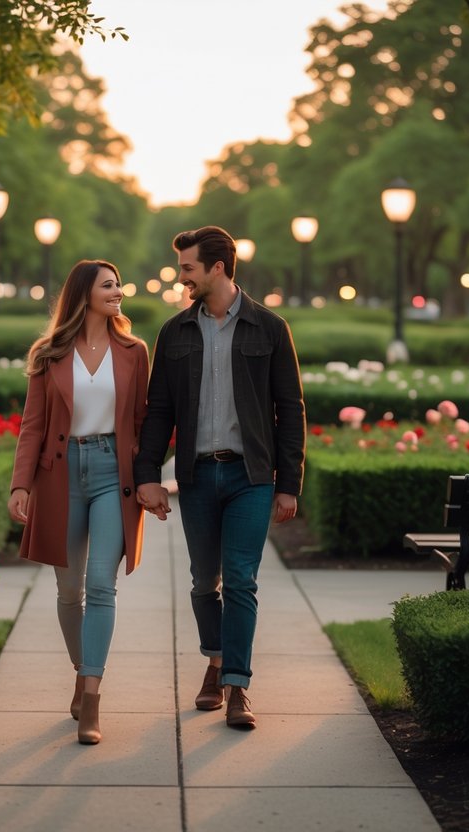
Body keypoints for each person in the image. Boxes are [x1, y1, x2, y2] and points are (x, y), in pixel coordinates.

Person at [135, 225, 305, 730]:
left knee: (241, 582)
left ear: (217, 268)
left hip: (250, 475)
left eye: (188, 268)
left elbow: (290, 409)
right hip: (196, 476)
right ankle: (214, 661)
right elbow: (159, 411)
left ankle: (236, 686)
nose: (181, 276)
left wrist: (289, 482)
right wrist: (147, 475)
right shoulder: (175, 332)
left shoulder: (270, 328)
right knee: (201, 583)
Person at [7, 259, 157, 745]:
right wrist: (20, 484)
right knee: (69, 590)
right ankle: (81, 668)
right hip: (60, 474)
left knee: (101, 583)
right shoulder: (49, 353)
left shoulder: (135, 351)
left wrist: (150, 477)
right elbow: (32, 424)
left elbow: (145, 422)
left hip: (114, 472)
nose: (119, 292)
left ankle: (92, 696)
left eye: (119, 285)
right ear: (84, 294)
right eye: (109, 286)